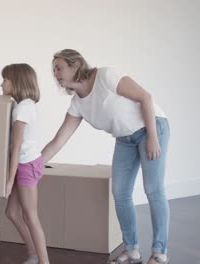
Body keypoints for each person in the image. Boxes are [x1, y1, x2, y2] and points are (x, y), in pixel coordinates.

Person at [41, 49, 170, 264]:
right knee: (120, 192)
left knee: (153, 189)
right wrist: (34, 165)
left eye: (59, 67)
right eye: (54, 69)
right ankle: (132, 250)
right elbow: (58, 141)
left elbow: (145, 97)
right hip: (124, 139)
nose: (55, 73)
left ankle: (159, 252)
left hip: (152, 127)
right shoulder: (77, 103)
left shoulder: (105, 76)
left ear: (75, 65)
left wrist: (153, 138)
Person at [2, 63, 50, 264]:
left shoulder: (21, 109)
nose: (1, 83)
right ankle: (33, 254)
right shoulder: (26, 105)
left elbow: (16, 147)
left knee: (30, 216)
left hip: (25, 166)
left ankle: (44, 261)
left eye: (5, 79)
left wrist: (9, 181)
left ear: (17, 82)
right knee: (12, 212)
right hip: (29, 163)